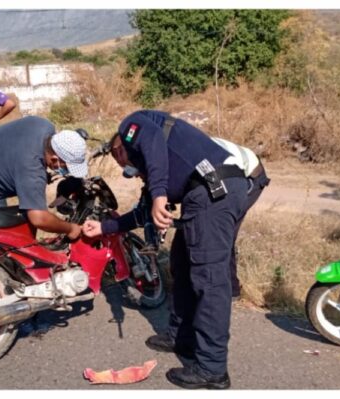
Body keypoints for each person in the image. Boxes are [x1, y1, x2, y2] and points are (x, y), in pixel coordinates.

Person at [82, 110, 269, 390]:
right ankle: (180, 335)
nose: (130, 169)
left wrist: (159, 194)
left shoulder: (132, 127)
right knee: (181, 261)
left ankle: (212, 368)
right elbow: (144, 212)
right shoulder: (158, 165)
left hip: (216, 190)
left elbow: (152, 139)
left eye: (125, 160)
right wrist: (105, 228)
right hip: (207, 193)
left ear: (117, 147)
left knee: (209, 279)